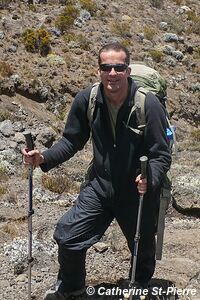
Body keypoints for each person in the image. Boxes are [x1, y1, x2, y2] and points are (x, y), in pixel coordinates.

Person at [22, 42, 171, 300]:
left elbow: (161, 153)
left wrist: (150, 178)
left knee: (142, 247)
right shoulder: (87, 100)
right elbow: (71, 141)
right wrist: (43, 158)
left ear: (127, 70)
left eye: (118, 67)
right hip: (100, 188)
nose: (112, 73)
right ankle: (72, 287)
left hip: (138, 192)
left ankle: (140, 287)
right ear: (98, 70)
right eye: (106, 67)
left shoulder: (148, 105)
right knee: (68, 236)